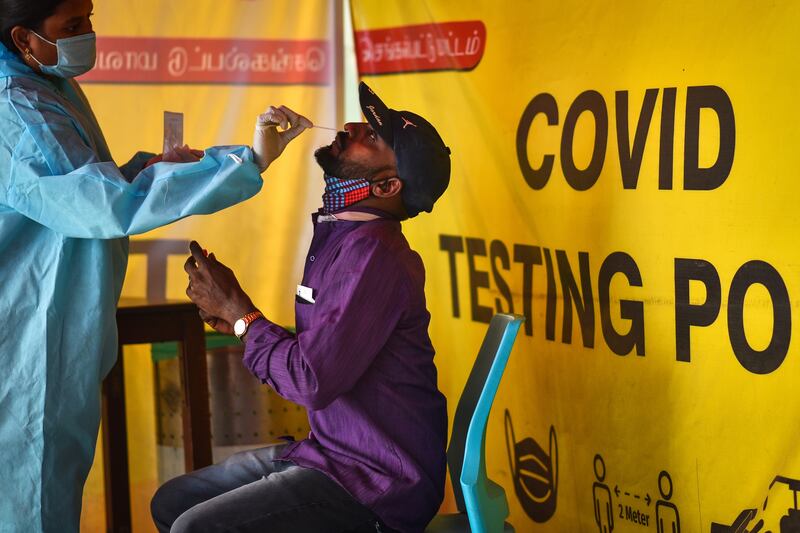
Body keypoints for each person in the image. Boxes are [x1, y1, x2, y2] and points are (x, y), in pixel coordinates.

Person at [0, 0, 307, 531]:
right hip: (28, 337)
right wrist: (243, 161)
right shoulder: (16, 104)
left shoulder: (47, 83)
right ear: (24, 37)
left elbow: (76, 186)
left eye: (89, 18)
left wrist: (148, 168)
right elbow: (101, 204)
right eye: (72, 27)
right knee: (33, 500)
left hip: (50, 327)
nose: (88, 34)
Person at [152, 81, 452, 533]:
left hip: (377, 483)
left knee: (195, 528)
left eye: (371, 136)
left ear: (388, 185)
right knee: (172, 502)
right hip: (333, 453)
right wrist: (238, 320)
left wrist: (240, 313)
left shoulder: (375, 256)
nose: (351, 126)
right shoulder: (346, 239)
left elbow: (310, 380)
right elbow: (321, 357)